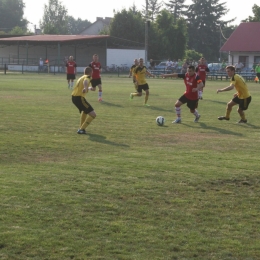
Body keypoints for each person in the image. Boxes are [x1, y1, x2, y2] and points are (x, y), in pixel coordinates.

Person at [71, 67, 96, 134]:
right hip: (79, 98)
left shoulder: (81, 77)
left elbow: (86, 84)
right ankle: (81, 129)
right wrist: (85, 88)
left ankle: (81, 128)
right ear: (91, 72)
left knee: (85, 111)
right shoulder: (88, 77)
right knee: (93, 115)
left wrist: (88, 88)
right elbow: (86, 81)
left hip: (74, 97)